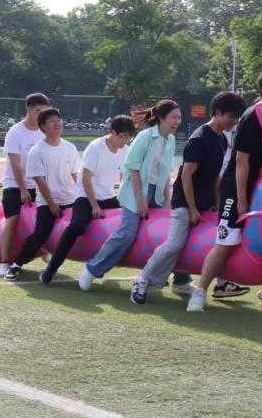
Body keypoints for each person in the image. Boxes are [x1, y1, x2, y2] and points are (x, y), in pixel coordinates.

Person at [187, 66, 262, 313]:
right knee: (227, 239)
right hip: (237, 187)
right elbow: (241, 160)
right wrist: (241, 199)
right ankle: (200, 291)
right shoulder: (254, 114)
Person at [132, 91, 245, 304]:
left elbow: (216, 177)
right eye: (231, 116)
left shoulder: (222, 139)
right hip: (184, 202)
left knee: (216, 242)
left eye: (237, 117)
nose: (234, 121)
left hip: (206, 203)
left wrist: (216, 205)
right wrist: (192, 209)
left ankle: (192, 282)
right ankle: (142, 279)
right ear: (218, 113)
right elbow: (186, 176)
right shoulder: (199, 139)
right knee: (174, 243)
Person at [79, 100, 190, 292]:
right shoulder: (144, 138)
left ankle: (181, 280)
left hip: (157, 195)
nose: (177, 121)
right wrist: (140, 200)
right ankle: (92, 269)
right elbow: (133, 170)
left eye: (179, 117)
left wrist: (167, 201)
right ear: (161, 118)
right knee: (127, 234)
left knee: (169, 235)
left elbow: (165, 173)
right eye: (173, 117)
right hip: (134, 193)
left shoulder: (170, 140)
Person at [37, 116, 133, 283]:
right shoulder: (95, 147)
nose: (125, 141)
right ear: (113, 132)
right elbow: (85, 179)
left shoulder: (125, 149)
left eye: (128, 137)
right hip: (86, 196)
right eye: (122, 136)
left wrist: (126, 200)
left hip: (108, 196)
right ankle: (51, 269)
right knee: (75, 227)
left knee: (130, 221)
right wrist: (94, 206)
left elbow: (125, 176)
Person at [4, 108, 80, 281]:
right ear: (43, 127)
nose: (57, 124)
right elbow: (40, 181)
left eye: (59, 120)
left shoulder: (70, 147)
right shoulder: (37, 151)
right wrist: (52, 204)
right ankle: (16, 265)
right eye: (52, 121)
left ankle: (52, 266)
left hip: (71, 198)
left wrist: (83, 198)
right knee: (40, 234)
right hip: (47, 201)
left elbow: (76, 175)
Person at [0, 93, 49, 277]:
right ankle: (4, 262)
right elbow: (15, 163)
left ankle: (45, 250)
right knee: (12, 219)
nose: (42, 115)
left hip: (38, 184)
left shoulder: (44, 132)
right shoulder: (16, 132)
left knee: (50, 215)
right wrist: (22, 189)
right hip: (14, 184)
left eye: (45, 111)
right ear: (29, 109)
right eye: (38, 111)